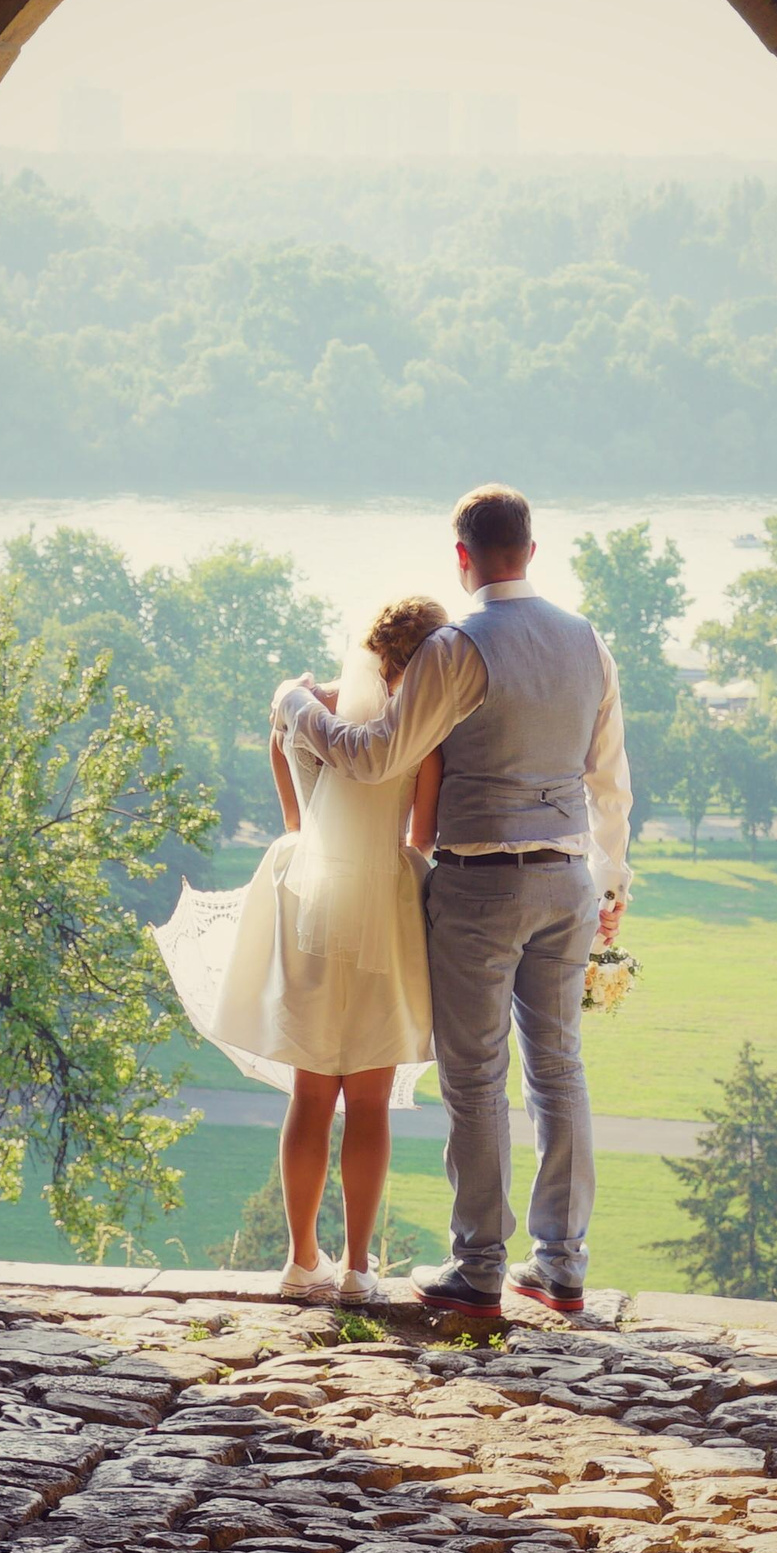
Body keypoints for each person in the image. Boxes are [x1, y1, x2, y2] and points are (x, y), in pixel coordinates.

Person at [272, 484, 632, 1319]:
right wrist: (610, 885)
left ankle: (478, 1270)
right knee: (559, 1069)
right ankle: (561, 1265)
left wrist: (294, 707)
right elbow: (609, 779)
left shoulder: (456, 647)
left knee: (475, 1078)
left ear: (462, 557)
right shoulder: (588, 641)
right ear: (531, 551)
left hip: (482, 883)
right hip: (567, 878)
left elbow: (374, 756)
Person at [151, 596, 450, 1303]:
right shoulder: (421, 734)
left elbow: (295, 820)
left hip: (305, 903)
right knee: (369, 1101)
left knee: (312, 1093)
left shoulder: (297, 714)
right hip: (384, 908)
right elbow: (421, 839)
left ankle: (301, 1258)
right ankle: (358, 1269)